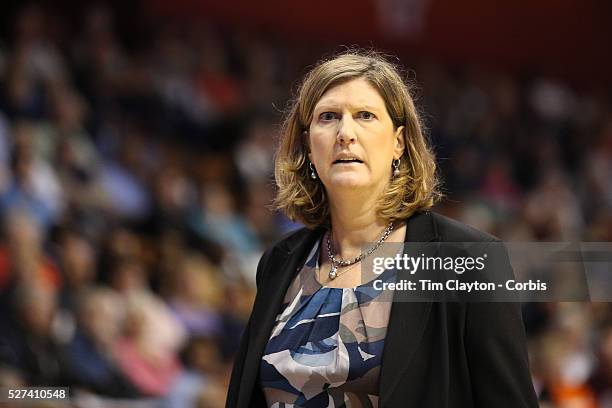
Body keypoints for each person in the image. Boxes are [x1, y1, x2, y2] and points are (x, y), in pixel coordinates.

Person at [226, 50, 538, 408]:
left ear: (398, 143)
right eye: (328, 117)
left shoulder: (468, 259)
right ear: (309, 146)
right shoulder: (279, 262)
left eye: (365, 116)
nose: (345, 133)